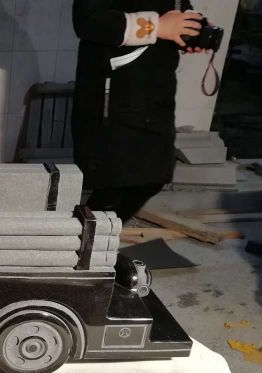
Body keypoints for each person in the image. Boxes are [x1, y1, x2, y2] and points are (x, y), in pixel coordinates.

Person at [72, 1, 208, 222]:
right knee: (115, 181)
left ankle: (96, 237)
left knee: (153, 177)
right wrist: (156, 26)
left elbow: (179, 8)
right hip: (115, 91)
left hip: (156, 90)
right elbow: (88, 20)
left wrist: (190, 30)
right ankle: (89, 239)